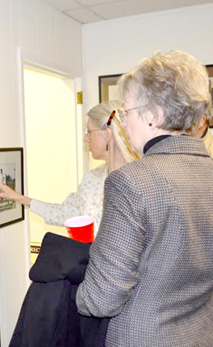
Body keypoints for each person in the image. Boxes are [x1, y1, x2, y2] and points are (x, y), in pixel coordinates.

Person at [76, 50, 213, 347]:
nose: (123, 124)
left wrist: (71, 292)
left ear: (154, 116)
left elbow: (101, 299)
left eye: (127, 112)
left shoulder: (130, 182)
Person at [0, 100, 138, 235]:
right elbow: (63, 213)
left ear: (107, 135)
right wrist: (18, 197)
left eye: (89, 132)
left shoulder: (140, 180)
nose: (86, 138)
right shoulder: (92, 180)